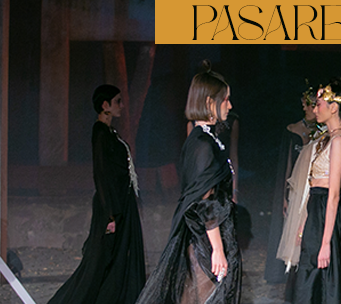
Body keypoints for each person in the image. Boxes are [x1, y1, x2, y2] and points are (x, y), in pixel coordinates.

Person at [137, 64, 241, 304]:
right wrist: (217, 248)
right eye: (225, 99)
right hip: (204, 237)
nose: (230, 105)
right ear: (209, 102)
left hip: (204, 234)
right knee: (207, 297)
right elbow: (205, 200)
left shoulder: (206, 139)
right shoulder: (203, 144)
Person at [49, 84, 146, 304]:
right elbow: (101, 174)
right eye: (117, 101)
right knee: (100, 261)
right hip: (112, 205)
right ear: (105, 105)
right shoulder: (100, 133)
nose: (121, 105)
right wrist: (110, 214)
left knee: (118, 256)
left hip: (122, 202)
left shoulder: (110, 132)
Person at [294, 78, 341, 304]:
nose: (315, 109)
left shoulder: (339, 140)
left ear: (333, 107)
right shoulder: (330, 139)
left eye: (319, 104)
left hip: (325, 213)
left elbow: (334, 194)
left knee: (321, 276)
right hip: (317, 211)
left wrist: (326, 242)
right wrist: (305, 222)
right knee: (309, 275)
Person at [265, 87, 318, 284]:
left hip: (314, 185)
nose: (313, 108)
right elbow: (287, 164)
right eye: (310, 104)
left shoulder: (322, 132)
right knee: (292, 228)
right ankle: (290, 273)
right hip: (295, 187)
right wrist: (284, 196)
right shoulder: (292, 130)